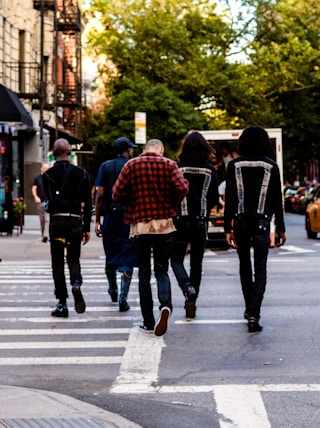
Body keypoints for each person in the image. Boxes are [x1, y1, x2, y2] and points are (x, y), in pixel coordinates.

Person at [112, 139, 189, 336]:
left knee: (144, 273)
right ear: (161, 150)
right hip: (165, 226)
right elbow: (182, 188)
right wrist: (170, 199)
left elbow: (116, 194)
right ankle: (166, 306)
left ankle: (148, 321)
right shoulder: (169, 164)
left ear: (145, 149)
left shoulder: (131, 164)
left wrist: (133, 199)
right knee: (162, 271)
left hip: (141, 227)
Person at [224, 125, 286, 332]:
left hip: (240, 222)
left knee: (244, 266)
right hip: (262, 222)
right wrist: (280, 229)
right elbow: (278, 199)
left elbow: (231, 199)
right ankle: (254, 313)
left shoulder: (234, 165)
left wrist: (227, 228)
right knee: (261, 268)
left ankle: (248, 307)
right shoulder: (271, 166)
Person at [170, 131, 219, 319]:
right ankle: (192, 299)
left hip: (179, 221)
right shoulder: (210, 170)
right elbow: (214, 197)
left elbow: (171, 193)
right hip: (200, 222)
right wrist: (205, 211)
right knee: (196, 263)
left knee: (176, 259)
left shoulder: (177, 168)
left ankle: (186, 286)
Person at [43, 138, 92, 318]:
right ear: (70, 152)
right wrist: (86, 227)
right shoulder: (82, 174)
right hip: (74, 223)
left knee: (57, 263)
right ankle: (76, 284)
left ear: (53, 153)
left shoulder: (47, 175)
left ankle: (62, 303)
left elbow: (47, 200)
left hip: (57, 222)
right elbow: (88, 203)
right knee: (73, 259)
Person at [95, 137, 138, 312]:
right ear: (127, 150)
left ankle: (112, 288)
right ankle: (123, 298)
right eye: (131, 149)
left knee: (110, 254)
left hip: (110, 218)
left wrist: (97, 219)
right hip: (129, 217)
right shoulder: (133, 166)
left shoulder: (105, 166)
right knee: (128, 255)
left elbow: (100, 194)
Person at [31, 163, 50, 242]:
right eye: (45, 168)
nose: (46, 170)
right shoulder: (37, 178)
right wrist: (36, 197)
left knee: (47, 219)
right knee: (42, 220)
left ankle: (46, 235)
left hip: (48, 202)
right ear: (41, 168)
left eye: (47, 168)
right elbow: (34, 188)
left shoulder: (50, 178)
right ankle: (43, 234)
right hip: (40, 201)